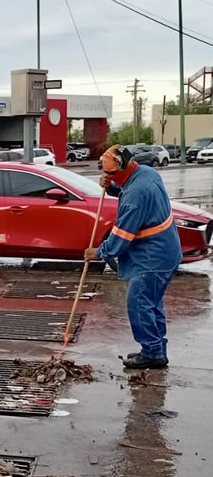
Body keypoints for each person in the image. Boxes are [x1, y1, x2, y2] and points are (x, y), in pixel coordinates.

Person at [84, 145, 181, 369]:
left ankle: (152, 353)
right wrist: (112, 187)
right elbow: (127, 187)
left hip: (152, 257)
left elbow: (122, 235)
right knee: (151, 303)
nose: (108, 176)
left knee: (139, 303)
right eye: (105, 173)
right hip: (165, 252)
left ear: (124, 167)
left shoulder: (135, 196)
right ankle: (156, 349)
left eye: (111, 174)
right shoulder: (146, 173)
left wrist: (99, 252)